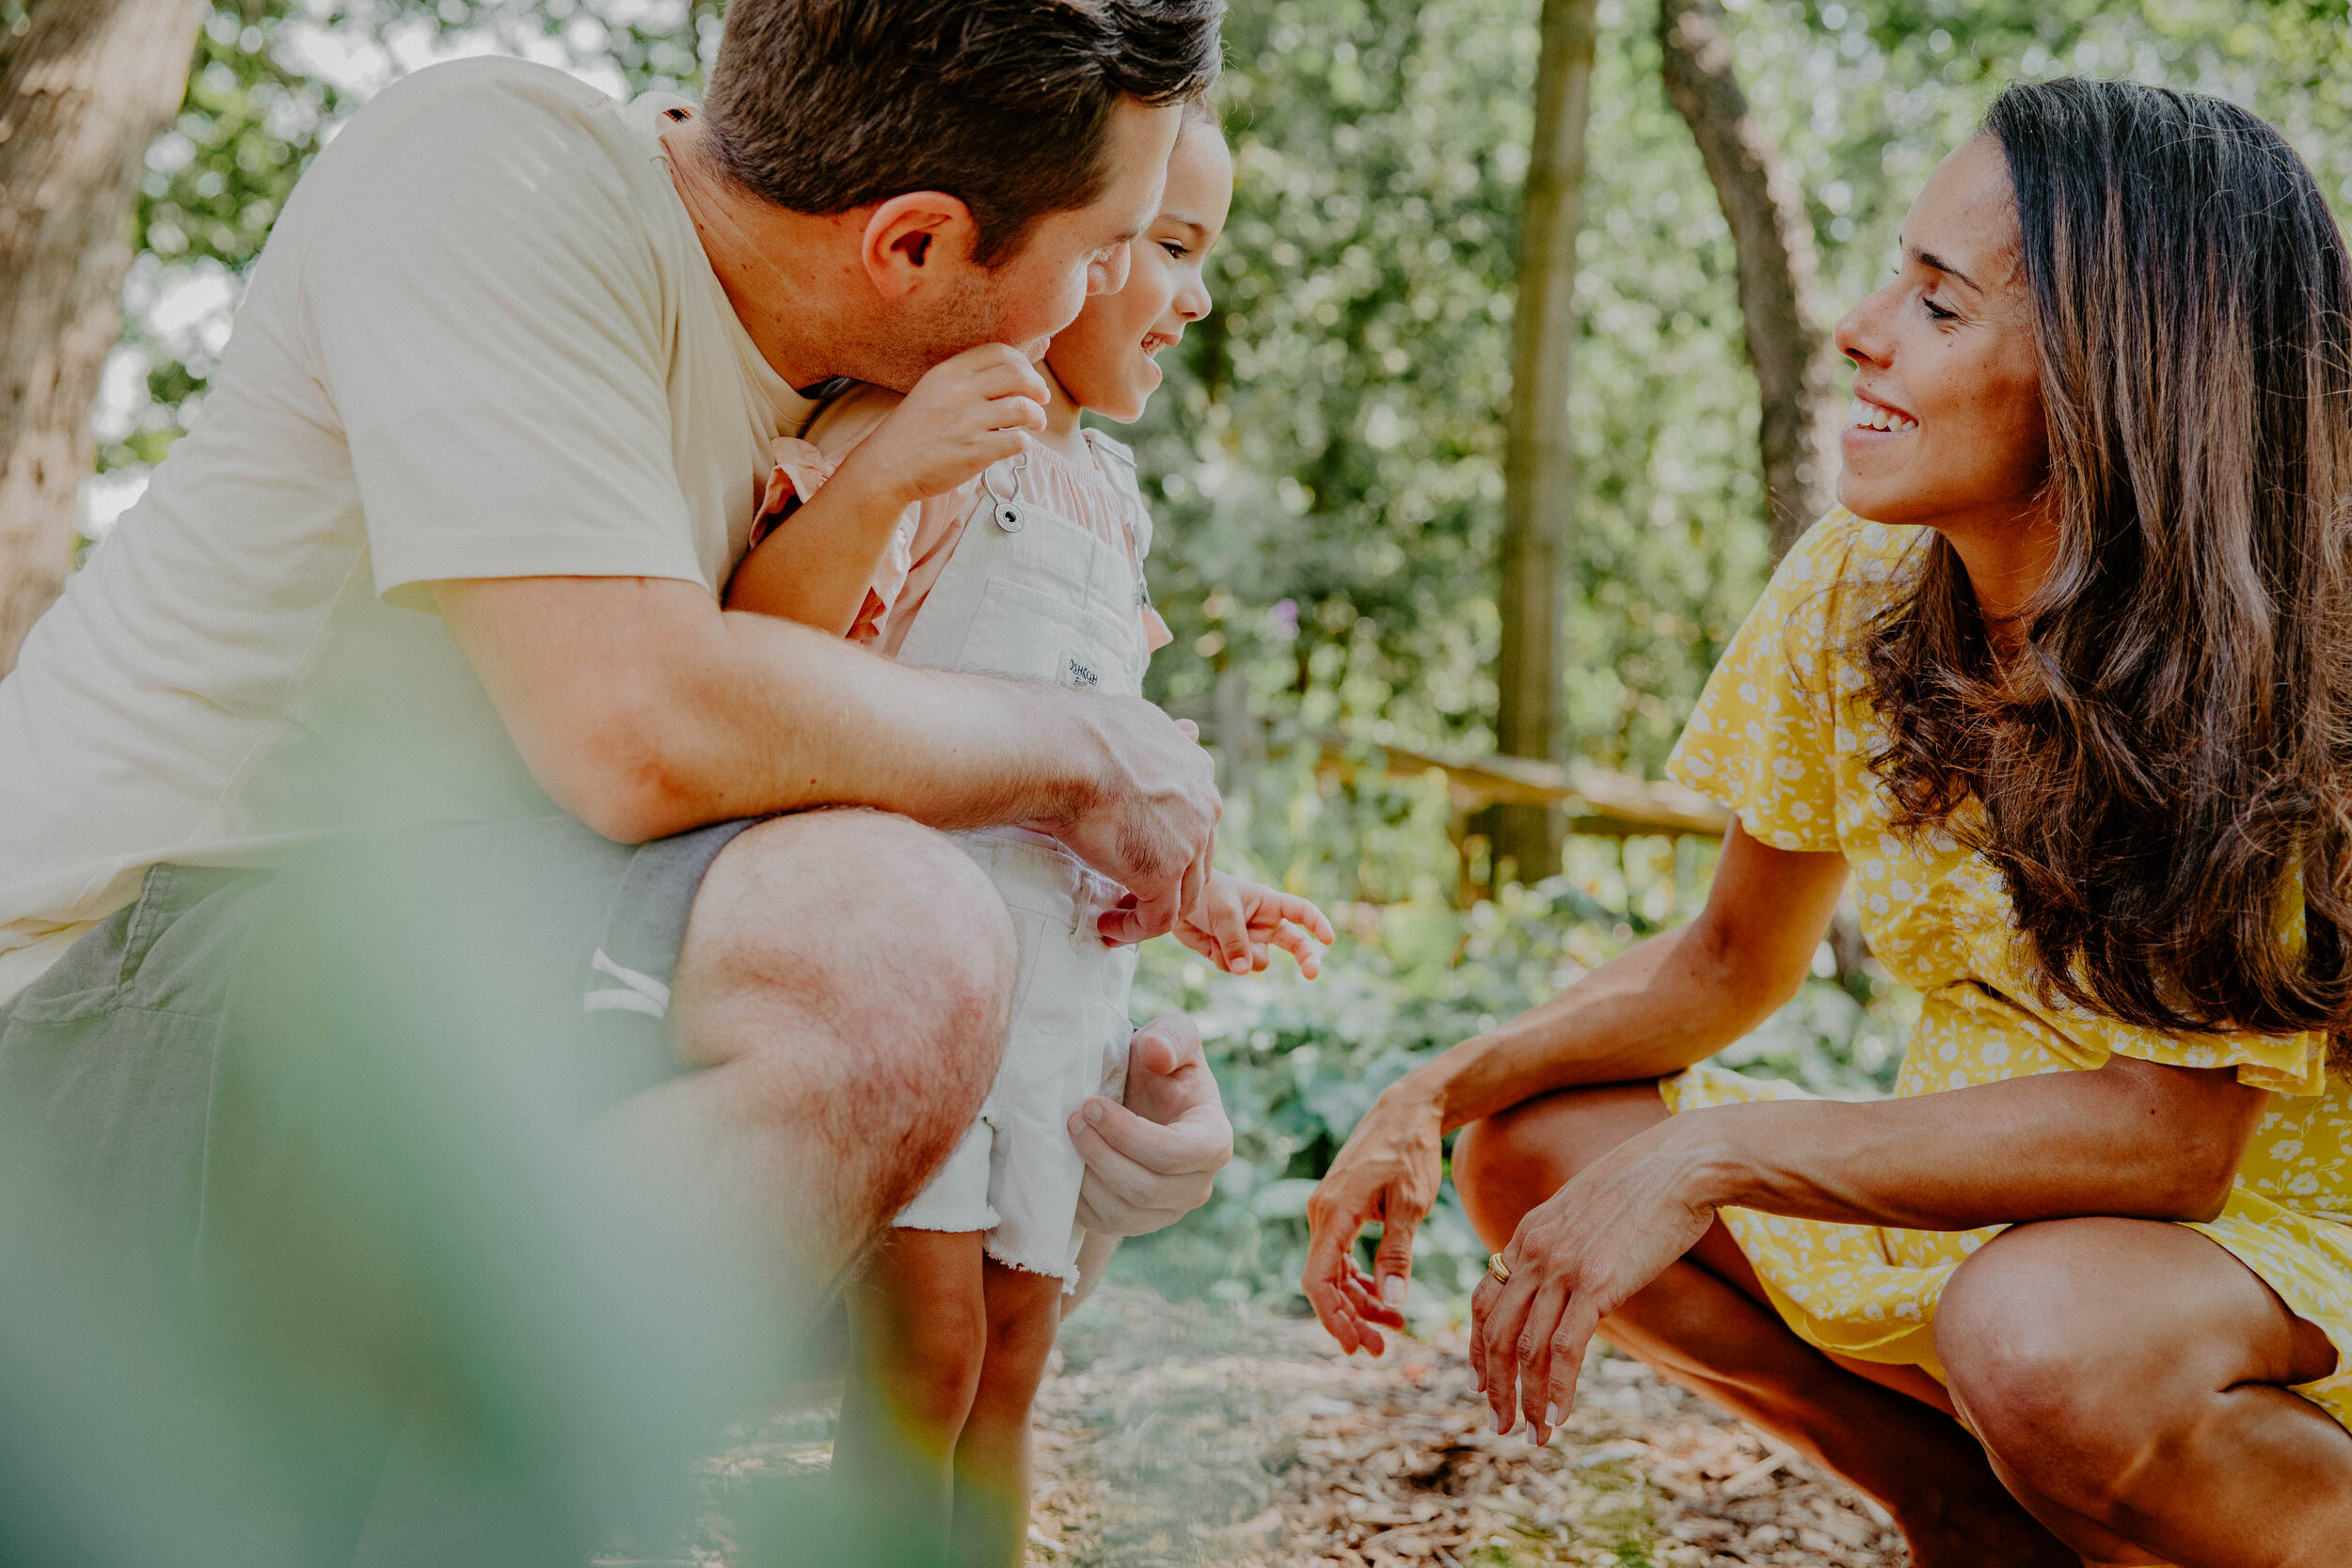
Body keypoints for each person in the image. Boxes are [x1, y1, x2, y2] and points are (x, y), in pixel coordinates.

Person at [0, 0, 1239, 1556]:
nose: (1119, 290)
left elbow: (902, 1068)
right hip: (106, 1019)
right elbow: (635, 732)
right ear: (915, 244)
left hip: (415, 1034)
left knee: (915, 1024)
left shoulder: (884, 442)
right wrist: (1081, 751)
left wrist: (1105, 1141)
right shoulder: (499, 174)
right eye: (1109, 242)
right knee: (885, 939)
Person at [1303, 79, 2352, 1568]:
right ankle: (1960, 1515)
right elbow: (1729, 963)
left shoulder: (2274, 657)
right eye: (1892, 278)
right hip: (1988, 1204)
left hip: (2253, 1251)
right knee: (1542, 1146)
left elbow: (2167, 1142)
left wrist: (1719, 1153)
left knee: (2044, 1339)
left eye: (1939, 305)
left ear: (2118, 376)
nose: (1861, 328)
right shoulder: (1861, 587)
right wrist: (1437, 1087)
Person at [725, 107, 1311, 1568]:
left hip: (1061, 1010)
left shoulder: (1109, 503)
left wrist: (1199, 886)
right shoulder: (916, 431)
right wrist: (880, 479)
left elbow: (1098, 738)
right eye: (1169, 246)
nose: (1194, 294)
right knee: (918, 1364)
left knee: (1009, 1364)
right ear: (1070, 246)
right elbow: (767, 654)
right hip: (916, 983)